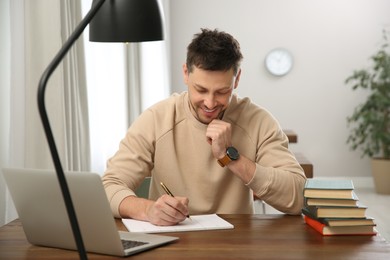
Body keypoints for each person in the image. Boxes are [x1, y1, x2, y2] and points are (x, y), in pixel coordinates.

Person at [102, 28, 306, 226]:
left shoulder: (259, 121)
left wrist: (230, 157)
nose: (209, 103)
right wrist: (148, 210)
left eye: (222, 92)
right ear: (185, 73)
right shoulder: (157, 118)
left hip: (237, 244)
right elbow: (108, 186)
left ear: (237, 79)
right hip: (170, 243)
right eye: (200, 89)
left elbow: (298, 197)